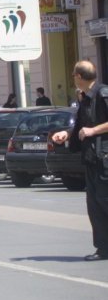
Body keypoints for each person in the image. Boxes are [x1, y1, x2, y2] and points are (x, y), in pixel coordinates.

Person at [51, 60, 108, 262]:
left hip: (105, 159)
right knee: (94, 205)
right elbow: (82, 127)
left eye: (74, 75)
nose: (73, 78)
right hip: (92, 159)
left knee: (105, 202)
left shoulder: (102, 94)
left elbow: (91, 128)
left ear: (79, 77)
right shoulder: (84, 98)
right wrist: (66, 135)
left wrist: (93, 130)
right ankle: (103, 249)